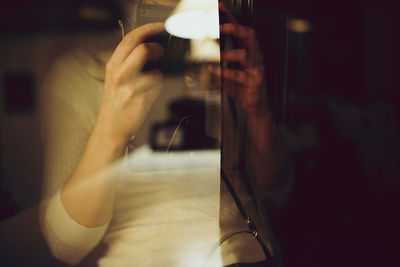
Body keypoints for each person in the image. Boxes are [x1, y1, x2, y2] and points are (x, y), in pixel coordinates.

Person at [39, 1, 291, 266]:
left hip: (249, 253)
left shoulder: (226, 62)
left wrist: (259, 112)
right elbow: (65, 246)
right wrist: (111, 128)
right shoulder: (80, 72)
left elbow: (277, 190)